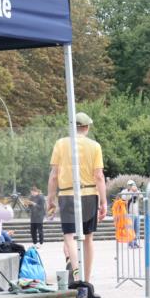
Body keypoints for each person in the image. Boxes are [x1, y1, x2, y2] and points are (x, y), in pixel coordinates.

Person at [46, 112, 107, 282]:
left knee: (69, 236)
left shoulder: (60, 144)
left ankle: (76, 272)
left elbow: (53, 175)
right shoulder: (95, 146)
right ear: (87, 128)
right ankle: (87, 279)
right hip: (89, 194)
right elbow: (99, 176)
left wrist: (50, 198)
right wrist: (103, 202)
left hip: (67, 194)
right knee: (88, 238)